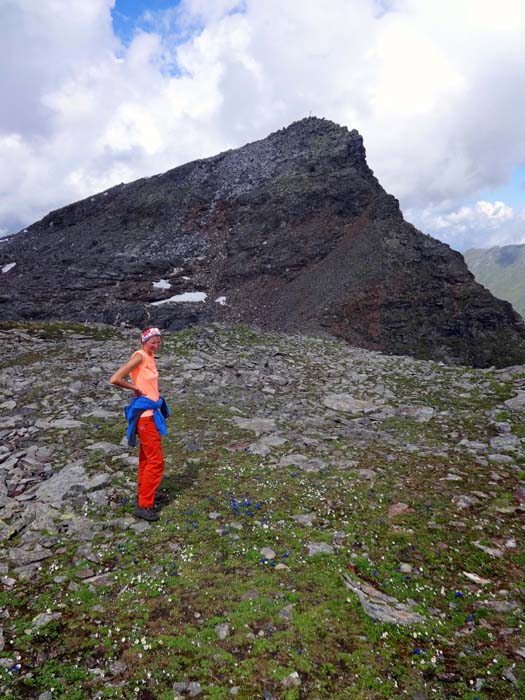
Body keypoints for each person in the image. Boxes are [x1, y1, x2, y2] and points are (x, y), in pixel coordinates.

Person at [110, 327, 169, 521]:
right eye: (153, 342)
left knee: (146, 457)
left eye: (159, 342)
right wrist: (134, 388)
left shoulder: (150, 357)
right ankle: (144, 504)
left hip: (150, 413)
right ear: (144, 341)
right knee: (155, 461)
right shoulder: (140, 356)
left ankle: (146, 493)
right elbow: (115, 379)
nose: (156, 345)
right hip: (145, 417)